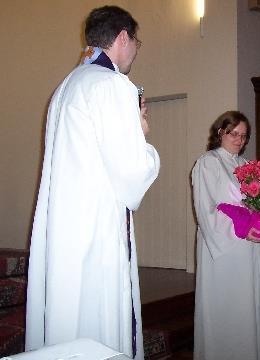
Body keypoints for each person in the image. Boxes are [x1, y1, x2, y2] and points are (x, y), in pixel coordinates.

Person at [25, 6, 160, 360]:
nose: (135, 50)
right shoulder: (111, 84)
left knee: (69, 319)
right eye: (136, 41)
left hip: (66, 233)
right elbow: (131, 179)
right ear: (122, 37)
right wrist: (144, 139)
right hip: (95, 235)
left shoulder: (67, 86)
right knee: (97, 325)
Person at [192, 111, 260, 360]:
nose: (239, 139)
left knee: (248, 306)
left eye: (244, 135)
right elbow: (206, 208)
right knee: (227, 306)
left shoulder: (246, 166)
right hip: (224, 249)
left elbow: (259, 204)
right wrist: (240, 229)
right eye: (234, 133)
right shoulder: (208, 163)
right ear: (221, 133)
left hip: (248, 249)